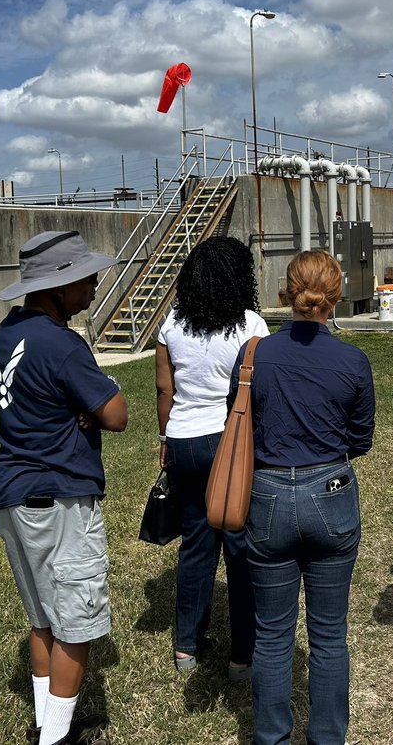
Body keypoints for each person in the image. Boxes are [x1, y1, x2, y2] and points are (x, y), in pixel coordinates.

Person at [0, 231, 129, 745]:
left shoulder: (9, 332)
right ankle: (56, 741)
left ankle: (48, 727)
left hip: (13, 493)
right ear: (56, 288)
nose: (92, 287)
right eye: (83, 279)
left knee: (43, 619)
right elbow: (116, 415)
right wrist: (89, 405)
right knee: (76, 626)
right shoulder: (64, 345)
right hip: (60, 496)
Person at [233, 250, 375, 745]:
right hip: (330, 492)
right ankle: (327, 738)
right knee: (329, 635)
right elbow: (361, 438)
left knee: (272, 635)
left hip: (268, 494)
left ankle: (270, 737)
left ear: (285, 292)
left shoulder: (254, 354)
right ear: (334, 297)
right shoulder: (352, 360)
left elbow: (242, 424)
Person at [154, 236, 268, 679]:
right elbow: (261, 393)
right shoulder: (251, 326)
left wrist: (164, 438)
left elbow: (166, 390)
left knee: (196, 546)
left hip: (182, 440)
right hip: (230, 444)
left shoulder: (172, 325)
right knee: (239, 547)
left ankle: (186, 648)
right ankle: (242, 656)